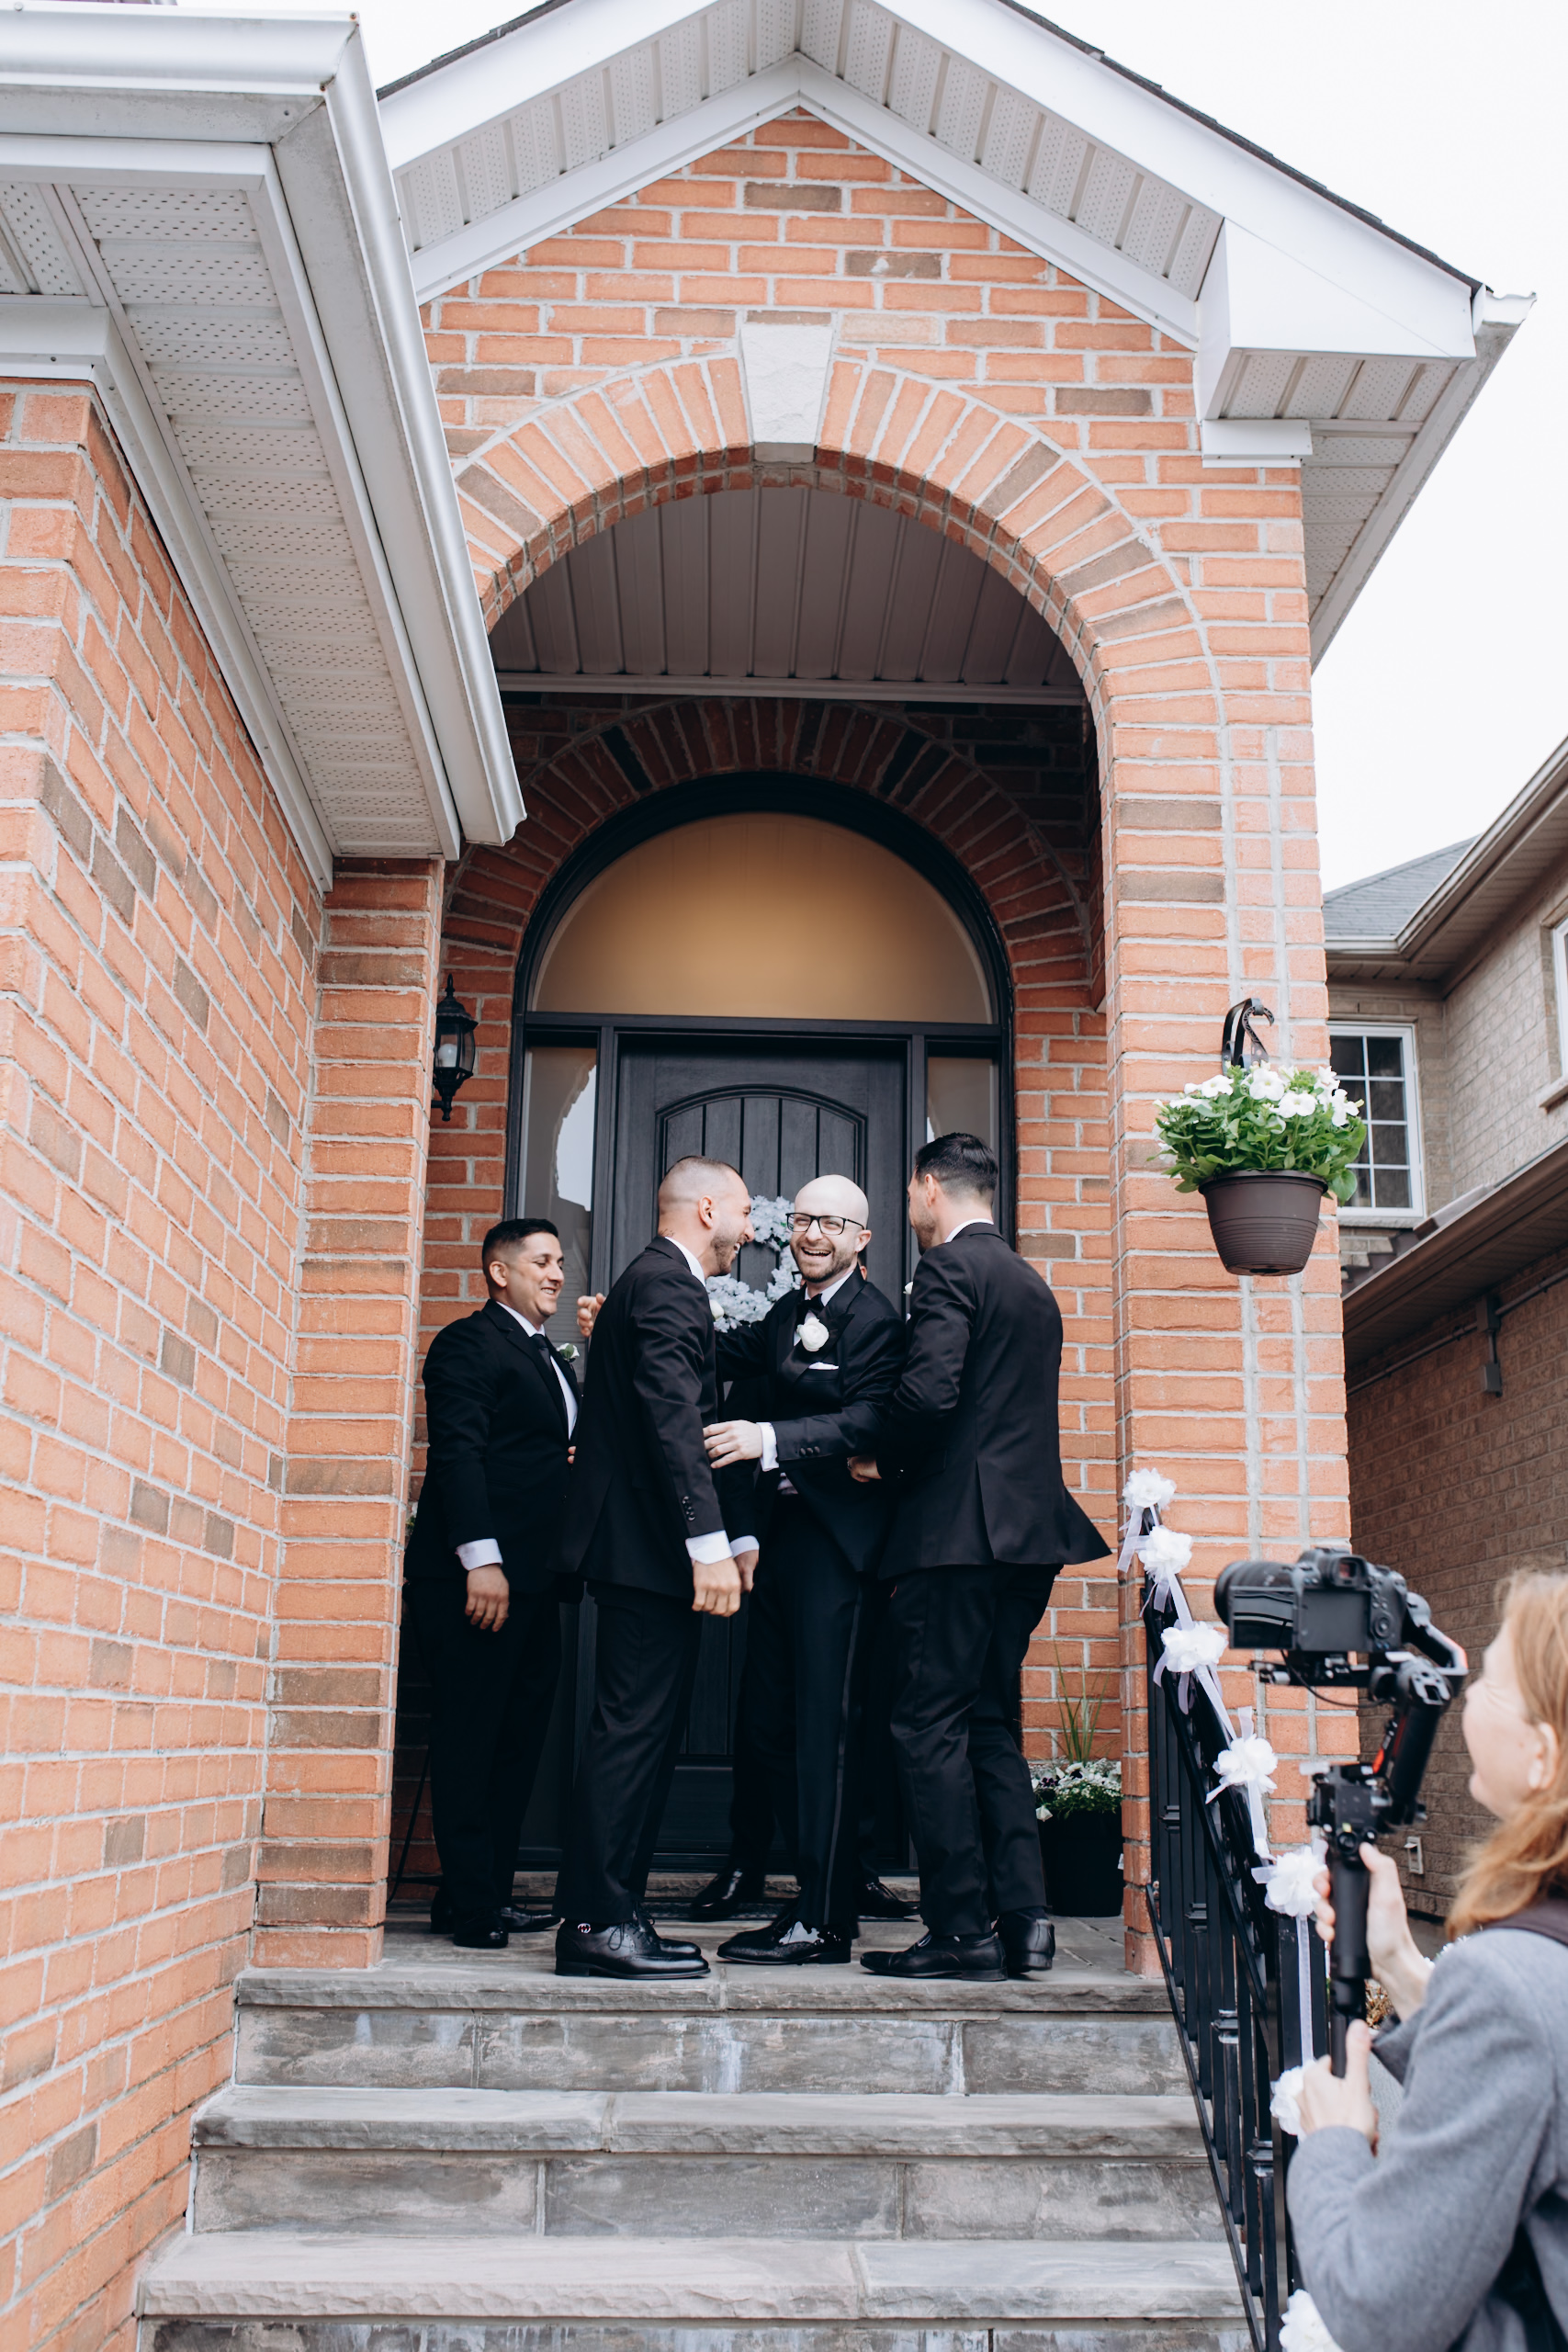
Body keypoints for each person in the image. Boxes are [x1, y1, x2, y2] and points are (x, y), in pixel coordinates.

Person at [849, 1132, 1109, 1981]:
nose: (908, 1208)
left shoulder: (949, 1271)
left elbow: (929, 1394)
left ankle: (960, 1928)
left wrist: (880, 1461)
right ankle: (1024, 1921)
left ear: (929, 1187)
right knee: (988, 1720)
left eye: (908, 1194)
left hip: (955, 1537)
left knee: (926, 1724)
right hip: (1027, 1539)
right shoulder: (1031, 1282)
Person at [1288, 1569, 1568, 2352]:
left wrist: (1333, 2141)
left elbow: (1379, 2305)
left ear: (1541, 1755)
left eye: (1489, 1683)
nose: (1461, 1697)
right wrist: (1399, 1967)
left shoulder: (1505, 1983)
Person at [552, 1156, 760, 1980]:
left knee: (640, 1734)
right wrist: (707, 1542)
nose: (750, 1229)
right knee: (632, 1735)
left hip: (637, 1549)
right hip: (646, 1552)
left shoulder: (647, 1285)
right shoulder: (668, 1286)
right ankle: (597, 1922)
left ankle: (614, 1911)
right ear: (707, 1209)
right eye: (743, 1212)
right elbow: (675, 1421)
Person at [698, 1174, 906, 1963]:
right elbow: (724, 1351)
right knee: (770, 1722)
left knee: (828, 1727)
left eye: (832, 1223)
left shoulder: (876, 1321)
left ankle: (823, 1919)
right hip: (782, 1539)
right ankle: (806, 1884)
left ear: (861, 1239)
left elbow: (872, 1416)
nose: (813, 1233)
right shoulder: (789, 1312)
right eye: (803, 1219)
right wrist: (630, 1322)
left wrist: (770, 1439)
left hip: (838, 1549)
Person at [403, 1218, 581, 1950]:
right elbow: (459, 1454)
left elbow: (530, 1449)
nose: (557, 1272)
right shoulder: (468, 1343)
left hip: (535, 1580)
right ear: (499, 1272)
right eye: (542, 1260)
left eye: (559, 1261)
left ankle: (484, 1895)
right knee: (471, 1739)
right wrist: (480, 1560)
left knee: (516, 1744)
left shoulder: (546, 1354)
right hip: (478, 1581)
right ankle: (473, 1908)